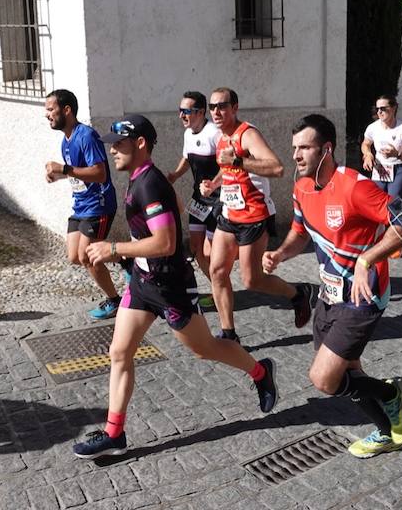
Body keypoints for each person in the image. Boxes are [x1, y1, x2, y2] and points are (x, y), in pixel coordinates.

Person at [72, 114, 278, 459]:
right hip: (142, 283)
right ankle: (114, 432)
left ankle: (261, 372)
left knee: (205, 348)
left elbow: (166, 243)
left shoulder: (149, 183)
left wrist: (113, 249)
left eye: (119, 144)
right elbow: (173, 211)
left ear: (140, 144)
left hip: (170, 289)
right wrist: (130, 258)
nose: (113, 152)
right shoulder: (139, 178)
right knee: (120, 353)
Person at [263, 114, 402, 459]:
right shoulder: (302, 186)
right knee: (350, 371)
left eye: (305, 147)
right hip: (330, 296)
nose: (296, 155)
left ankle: (392, 396)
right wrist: (280, 254)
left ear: (327, 148)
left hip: (365, 296)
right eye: (294, 148)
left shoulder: (355, 186)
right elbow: (300, 232)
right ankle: (386, 430)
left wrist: (367, 260)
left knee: (324, 379)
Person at [201, 87, 318, 344]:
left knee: (251, 280)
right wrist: (214, 183)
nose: (216, 111)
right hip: (229, 215)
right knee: (217, 271)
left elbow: (277, 168)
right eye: (212, 107)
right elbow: (228, 169)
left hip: (254, 216)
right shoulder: (221, 137)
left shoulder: (247, 135)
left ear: (235, 108)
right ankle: (229, 333)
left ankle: (297, 293)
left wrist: (240, 162)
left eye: (222, 106)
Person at [44, 89, 121, 320]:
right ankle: (127, 259)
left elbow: (99, 173)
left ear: (66, 110)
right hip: (80, 206)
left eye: (50, 109)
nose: (47, 115)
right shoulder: (65, 141)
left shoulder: (86, 136)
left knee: (88, 257)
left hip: (99, 204)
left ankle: (115, 300)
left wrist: (64, 169)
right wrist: (59, 175)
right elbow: (79, 173)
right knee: (74, 257)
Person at [167, 91, 220, 286]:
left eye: (186, 111)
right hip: (198, 199)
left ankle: (222, 288)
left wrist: (214, 183)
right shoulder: (187, 133)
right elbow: (187, 158)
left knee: (210, 251)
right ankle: (218, 289)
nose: (181, 115)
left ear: (201, 112)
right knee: (195, 248)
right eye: (180, 110)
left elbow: (228, 165)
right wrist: (174, 175)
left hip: (218, 200)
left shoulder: (215, 133)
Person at [361, 95, 402, 199]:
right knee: (377, 202)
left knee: (392, 204)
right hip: (380, 168)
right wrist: (367, 154)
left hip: (399, 169)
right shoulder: (372, 127)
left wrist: (397, 154)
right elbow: (366, 143)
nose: (379, 112)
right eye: (377, 109)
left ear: (393, 108)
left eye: (383, 109)